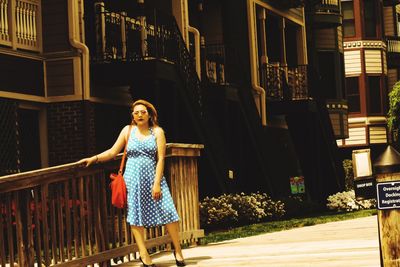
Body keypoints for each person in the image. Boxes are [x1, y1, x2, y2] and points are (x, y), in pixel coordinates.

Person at [78, 99, 186, 267]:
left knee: (168, 211)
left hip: (153, 177)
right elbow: (113, 152)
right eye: (136, 113)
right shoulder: (128, 131)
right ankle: (144, 255)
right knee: (136, 216)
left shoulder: (157, 132)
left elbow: (161, 159)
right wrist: (94, 158)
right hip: (133, 180)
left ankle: (178, 250)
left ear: (149, 114)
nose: (139, 115)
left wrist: (157, 183)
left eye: (143, 112)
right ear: (132, 116)